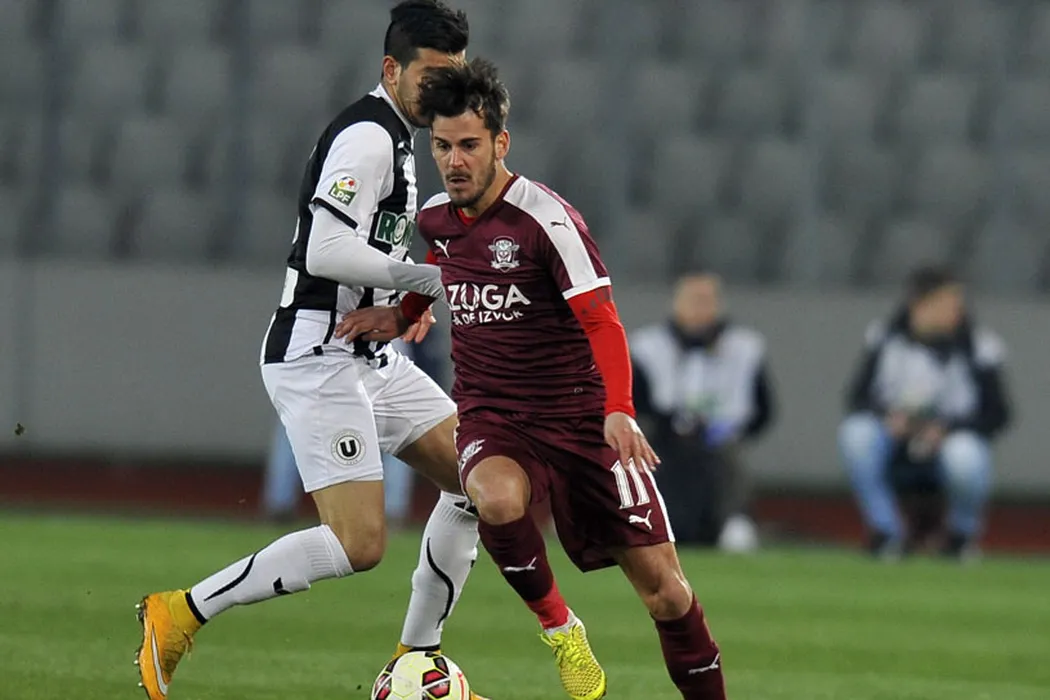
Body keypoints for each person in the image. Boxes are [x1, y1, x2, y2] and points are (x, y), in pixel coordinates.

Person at [337, 58, 727, 700]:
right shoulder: (434, 218)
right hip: (494, 417)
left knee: (667, 594)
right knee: (492, 498)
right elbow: (442, 267)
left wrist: (620, 408)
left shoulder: (546, 221)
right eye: (442, 146)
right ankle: (561, 628)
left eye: (469, 145)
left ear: (500, 143)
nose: (454, 161)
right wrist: (403, 313)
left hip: (580, 419)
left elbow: (602, 321)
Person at [135, 5, 492, 700]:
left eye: (453, 74)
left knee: (480, 477)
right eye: (431, 74)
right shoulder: (367, 136)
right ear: (391, 69)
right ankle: (180, 612)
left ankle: (414, 664)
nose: (444, 89)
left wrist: (399, 304)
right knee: (360, 544)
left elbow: (365, 247)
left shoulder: (398, 139)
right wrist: (422, 279)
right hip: (318, 353)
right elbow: (324, 250)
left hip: (369, 354)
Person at [838, 265, 1012, 561]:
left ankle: (960, 536)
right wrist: (889, 417)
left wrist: (947, 428)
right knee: (856, 434)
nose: (956, 311)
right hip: (895, 438)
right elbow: (857, 397)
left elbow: (998, 413)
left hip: (950, 440)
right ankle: (886, 532)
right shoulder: (886, 338)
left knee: (965, 455)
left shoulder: (978, 346)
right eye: (948, 303)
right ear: (920, 305)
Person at [631, 271, 775, 551]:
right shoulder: (647, 347)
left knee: (727, 458)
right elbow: (636, 403)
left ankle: (734, 521)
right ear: (676, 303)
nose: (700, 309)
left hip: (721, 439)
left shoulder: (745, 348)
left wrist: (731, 428)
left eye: (707, 301)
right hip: (663, 438)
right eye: (693, 300)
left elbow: (763, 410)